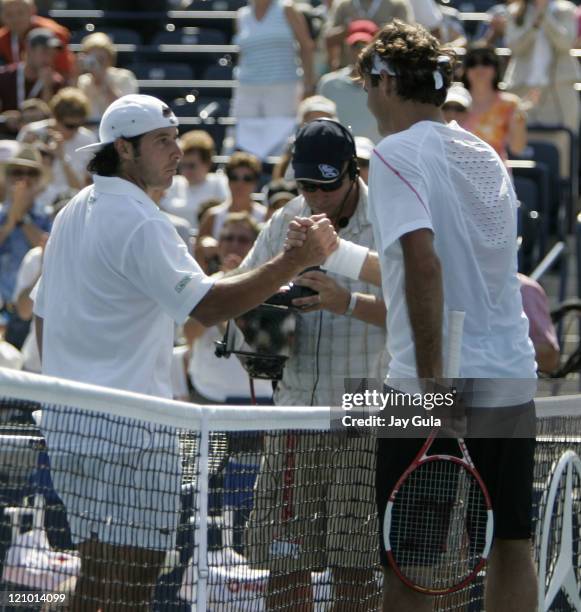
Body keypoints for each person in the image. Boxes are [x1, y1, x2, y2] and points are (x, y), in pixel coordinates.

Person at [32, 93, 336, 611]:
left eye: (176, 139)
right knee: (130, 581)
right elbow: (210, 308)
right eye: (162, 141)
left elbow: (41, 317)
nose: (176, 151)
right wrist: (294, 260)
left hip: (70, 429)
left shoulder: (74, 212)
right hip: (126, 435)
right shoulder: (143, 222)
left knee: (99, 577)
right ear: (125, 149)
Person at [287, 20, 538, 612]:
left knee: (406, 570)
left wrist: (433, 393)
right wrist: (340, 255)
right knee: (511, 545)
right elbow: (447, 269)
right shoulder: (485, 153)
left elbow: (424, 267)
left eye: (368, 84)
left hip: (428, 388)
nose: (366, 98)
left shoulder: (396, 153)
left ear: (387, 82)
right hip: (509, 376)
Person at [241, 118, 387, 611]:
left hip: (362, 415)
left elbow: (423, 312)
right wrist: (277, 291)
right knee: (283, 567)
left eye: (328, 185)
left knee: (356, 569)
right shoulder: (286, 220)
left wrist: (344, 300)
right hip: (295, 415)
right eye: (306, 185)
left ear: (354, 171)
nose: (317, 198)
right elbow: (241, 295)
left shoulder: (391, 220)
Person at [232, 0, 315, 152]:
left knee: (282, 144)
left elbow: (306, 46)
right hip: (247, 88)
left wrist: (308, 85)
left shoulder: (287, 9)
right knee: (245, 143)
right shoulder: (242, 15)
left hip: (284, 87)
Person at [504, 0, 580, 134]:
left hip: (559, 89)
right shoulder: (514, 11)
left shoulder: (565, 9)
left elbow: (566, 43)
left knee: (563, 141)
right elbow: (514, 46)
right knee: (521, 143)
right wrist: (534, 26)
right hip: (523, 89)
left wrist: (544, 15)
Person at [18, 87, 96, 193]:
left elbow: (82, 189)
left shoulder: (89, 139)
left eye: (79, 125)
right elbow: (16, 178)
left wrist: (62, 157)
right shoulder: (30, 132)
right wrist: (26, 148)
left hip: (71, 201)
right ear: (55, 118)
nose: (74, 130)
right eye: (69, 126)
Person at [0, 144, 51, 307]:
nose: (24, 178)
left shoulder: (48, 215)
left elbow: (49, 251)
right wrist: (11, 219)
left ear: (38, 179)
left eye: (31, 173)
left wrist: (21, 217)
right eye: (17, 172)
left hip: (32, 307)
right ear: (7, 177)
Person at [318, 20, 381, 143]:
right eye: (355, 47)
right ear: (347, 48)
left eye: (365, 47)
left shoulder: (387, 85)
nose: (359, 53)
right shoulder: (328, 84)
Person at [461, 45, 527, 162]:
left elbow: (517, 149)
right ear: (465, 70)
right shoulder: (452, 101)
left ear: (496, 69)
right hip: (457, 172)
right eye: (472, 63)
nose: (479, 68)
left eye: (486, 62)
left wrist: (520, 118)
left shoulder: (510, 104)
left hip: (494, 175)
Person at [160, 129, 229, 229]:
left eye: (192, 166)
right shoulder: (172, 183)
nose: (186, 170)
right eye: (182, 165)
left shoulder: (219, 182)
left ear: (207, 163)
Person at [323, 0, 413, 71]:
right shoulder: (343, 4)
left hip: (385, 71)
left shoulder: (397, 4)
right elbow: (328, 38)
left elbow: (408, 39)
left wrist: (381, 31)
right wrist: (349, 29)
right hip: (349, 71)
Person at [197, 151, 266, 241]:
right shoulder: (212, 216)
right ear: (228, 180)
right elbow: (198, 252)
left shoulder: (265, 216)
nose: (239, 183)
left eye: (247, 178)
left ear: (256, 183)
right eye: (234, 177)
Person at [0, 0, 75, 80]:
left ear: (32, 11)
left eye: (20, 12)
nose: (15, 19)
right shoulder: (2, 39)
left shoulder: (54, 34)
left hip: (51, 84)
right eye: (9, 15)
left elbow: (66, 72)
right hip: (17, 85)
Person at [76, 32, 139, 122]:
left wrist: (103, 80)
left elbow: (125, 109)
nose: (96, 63)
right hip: (89, 130)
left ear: (110, 59)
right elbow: (74, 111)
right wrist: (74, 73)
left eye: (101, 59)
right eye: (93, 58)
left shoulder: (124, 77)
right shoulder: (82, 81)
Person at [0, 27, 64, 113]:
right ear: (29, 50)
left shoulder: (56, 82)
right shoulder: (4, 77)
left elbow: (52, 119)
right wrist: (5, 118)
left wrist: (47, 88)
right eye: (44, 52)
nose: (49, 59)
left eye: (52, 54)